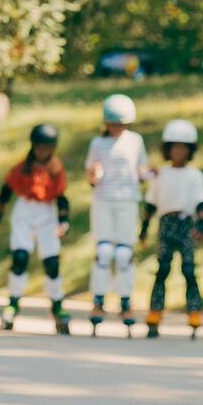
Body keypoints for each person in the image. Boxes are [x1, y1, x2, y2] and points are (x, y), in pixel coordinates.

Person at [0, 124, 71, 335]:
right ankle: (12, 304)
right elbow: (6, 192)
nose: (43, 151)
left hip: (47, 213)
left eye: (48, 148)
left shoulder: (56, 169)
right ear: (33, 146)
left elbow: (62, 197)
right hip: (24, 211)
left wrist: (63, 220)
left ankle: (57, 305)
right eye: (40, 147)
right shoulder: (22, 168)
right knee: (20, 258)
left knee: (52, 262)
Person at [85, 94, 150, 336]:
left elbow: (141, 169)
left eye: (121, 124)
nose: (117, 128)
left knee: (123, 254)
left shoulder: (135, 141)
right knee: (103, 252)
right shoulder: (97, 144)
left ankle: (125, 302)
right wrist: (94, 175)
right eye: (113, 123)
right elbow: (90, 175)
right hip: (103, 201)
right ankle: (98, 301)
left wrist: (151, 175)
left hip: (128, 201)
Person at [140, 119, 203, 340]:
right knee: (163, 270)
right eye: (174, 146)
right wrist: (143, 228)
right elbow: (150, 204)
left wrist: (201, 223)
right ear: (167, 149)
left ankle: (194, 312)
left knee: (188, 270)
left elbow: (201, 203)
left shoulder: (195, 175)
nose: (178, 151)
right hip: (166, 224)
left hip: (185, 224)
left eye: (183, 147)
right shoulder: (161, 174)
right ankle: (154, 313)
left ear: (190, 150)